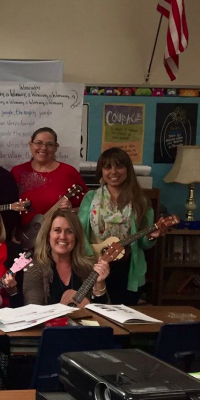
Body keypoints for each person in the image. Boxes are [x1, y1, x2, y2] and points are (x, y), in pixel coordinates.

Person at [78, 148, 158, 305]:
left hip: (128, 269)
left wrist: (150, 237)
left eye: (119, 166)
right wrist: (93, 260)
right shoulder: (90, 198)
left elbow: (144, 243)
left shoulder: (141, 201)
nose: (113, 172)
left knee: (123, 317)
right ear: (101, 171)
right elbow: (80, 234)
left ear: (128, 169)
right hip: (96, 266)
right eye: (108, 167)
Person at [22, 208, 110, 306]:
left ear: (76, 237)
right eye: (57, 230)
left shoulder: (89, 267)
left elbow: (102, 311)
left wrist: (100, 283)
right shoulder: (34, 268)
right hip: (49, 321)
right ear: (48, 235)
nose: (63, 236)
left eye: (69, 231)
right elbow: (34, 310)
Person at [11, 127, 86, 232]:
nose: (43, 148)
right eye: (38, 143)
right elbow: (9, 208)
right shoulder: (17, 172)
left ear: (56, 147)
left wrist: (71, 211)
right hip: (23, 238)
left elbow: (87, 209)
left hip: (58, 239)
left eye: (49, 144)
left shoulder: (69, 172)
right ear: (30, 144)